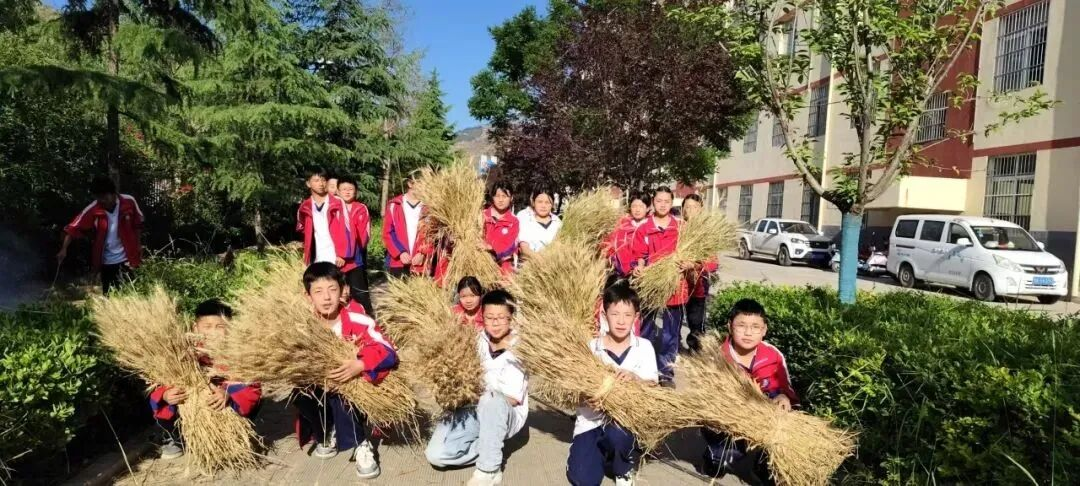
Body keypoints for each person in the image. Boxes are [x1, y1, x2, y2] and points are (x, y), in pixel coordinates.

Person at [295, 262, 399, 479]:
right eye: (318, 291)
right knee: (300, 393)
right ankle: (327, 431)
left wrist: (360, 364)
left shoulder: (357, 319)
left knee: (342, 391)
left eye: (332, 289)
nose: (326, 298)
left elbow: (388, 351)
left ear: (342, 290)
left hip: (355, 383)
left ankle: (361, 444)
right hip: (321, 386)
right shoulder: (302, 327)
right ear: (308, 296)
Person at [426, 289, 529, 486]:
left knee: (492, 399)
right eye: (490, 317)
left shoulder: (521, 346)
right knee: (436, 456)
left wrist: (476, 396)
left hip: (504, 412)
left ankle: (489, 470)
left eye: (501, 317)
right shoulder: (476, 339)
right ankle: (490, 447)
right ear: (482, 317)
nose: (495, 323)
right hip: (473, 408)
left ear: (512, 318)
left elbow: (512, 398)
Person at [148, 299, 262, 460]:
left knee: (246, 393)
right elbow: (161, 380)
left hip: (223, 404)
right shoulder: (181, 352)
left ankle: (233, 435)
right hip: (191, 406)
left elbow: (251, 383)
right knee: (165, 396)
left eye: (220, 326)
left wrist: (227, 393)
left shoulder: (240, 351)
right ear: (195, 328)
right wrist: (166, 395)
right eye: (207, 327)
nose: (213, 333)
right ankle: (176, 436)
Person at [568, 283, 657, 486]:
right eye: (615, 314)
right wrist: (588, 397)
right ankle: (597, 456)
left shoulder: (644, 347)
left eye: (627, 315)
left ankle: (622, 467)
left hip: (625, 423)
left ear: (636, 317)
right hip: (591, 422)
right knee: (582, 480)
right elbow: (575, 391)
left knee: (618, 436)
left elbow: (653, 388)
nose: (621, 321)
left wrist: (636, 379)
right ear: (604, 314)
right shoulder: (591, 348)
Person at [701, 299, 798, 484]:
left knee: (779, 406)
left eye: (755, 327)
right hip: (728, 421)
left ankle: (763, 462)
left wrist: (784, 397)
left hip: (765, 416)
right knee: (722, 461)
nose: (748, 332)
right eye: (741, 325)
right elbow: (706, 401)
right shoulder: (717, 357)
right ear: (730, 326)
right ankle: (716, 453)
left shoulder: (773, 355)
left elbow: (787, 390)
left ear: (764, 330)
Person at [626, 187, 689, 387]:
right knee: (645, 329)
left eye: (666, 201)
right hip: (651, 285)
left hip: (675, 286)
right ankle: (642, 369)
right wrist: (639, 268)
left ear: (672, 203)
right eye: (659, 201)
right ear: (653, 202)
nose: (662, 205)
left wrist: (689, 264)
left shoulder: (682, 227)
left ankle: (665, 373)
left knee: (671, 334)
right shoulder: (644, 227)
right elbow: (638, 256)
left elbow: (693, 255)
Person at [58, 175, 144, 294]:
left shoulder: (129, 201)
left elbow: (138, 224)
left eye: (104, 197)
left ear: (113, 193)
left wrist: (138, 245)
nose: (102, 200)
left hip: (128, 258)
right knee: (110, 296)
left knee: (132, 293)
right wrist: (64, 249)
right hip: (107, 262)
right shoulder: (93, 208)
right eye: (98, 197)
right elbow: (73, 228)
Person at [680, 194, 718, 352]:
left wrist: (694, 265)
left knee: (696, 324)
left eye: (695, 207)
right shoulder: (677, 229)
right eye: (687, 207)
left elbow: (713, 263)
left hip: (697, 288)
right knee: (674, 323)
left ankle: (696, 353)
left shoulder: (707, 233)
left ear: (701, 209)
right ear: (682, 210)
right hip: (677, 288)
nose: (691, 210)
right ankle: (674, 350)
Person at [296, 168, 351, 269]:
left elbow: (347, 228)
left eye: (324, 180)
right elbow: (301, 227)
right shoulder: (305, 206)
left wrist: (342, 253)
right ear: (308, 183)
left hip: (335, 256)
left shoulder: (337, 202)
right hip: (316, 255)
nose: (321, 184)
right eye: (316, 180)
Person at [336, 176, 375, 316]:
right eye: (344, 189)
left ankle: (368, 318)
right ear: (338, 191)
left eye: (350, 189)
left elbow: (365, 233)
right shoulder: (333, 208)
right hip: (336, 258)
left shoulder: (361, 208)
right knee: (339, 292)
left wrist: (354, 250)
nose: (347, 192)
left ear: (356, 191)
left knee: (360, 292)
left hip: (355, 258)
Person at [382, 174, 430, 278]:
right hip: (398, 261)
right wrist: (401, 252)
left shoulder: (429, 207)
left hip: (421, 262)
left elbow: (433, 234)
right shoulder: (394, 205)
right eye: (420, 182)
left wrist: (423, 253)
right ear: (410, 184)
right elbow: (388, 233)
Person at [605, 191, 650, 276]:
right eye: (634, 206)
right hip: (622, 271)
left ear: (647, 208)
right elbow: (612, 244)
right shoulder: (622, 225)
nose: (637, 210)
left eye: (641, 206)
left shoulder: (651, 226)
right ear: (630, 207)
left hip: (645, 271)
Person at [483, 184, 520, 274]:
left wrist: (492, 248)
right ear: (492, 197)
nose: (500, 200)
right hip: (481, 268)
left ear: (511, 198)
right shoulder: (481, 216)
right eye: (497, 196)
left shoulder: (514, 222)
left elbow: (511, 250)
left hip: (503, 272)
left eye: (504, 196)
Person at [517, 190, 561, 262]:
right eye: (540, 202)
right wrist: (543, 261)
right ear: (533, 202)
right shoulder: (525, 218)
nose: (543, 206)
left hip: (554, 264)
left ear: (552, 204)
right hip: (529, 265)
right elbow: (524, 249)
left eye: (547, 202)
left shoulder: (558, 222)